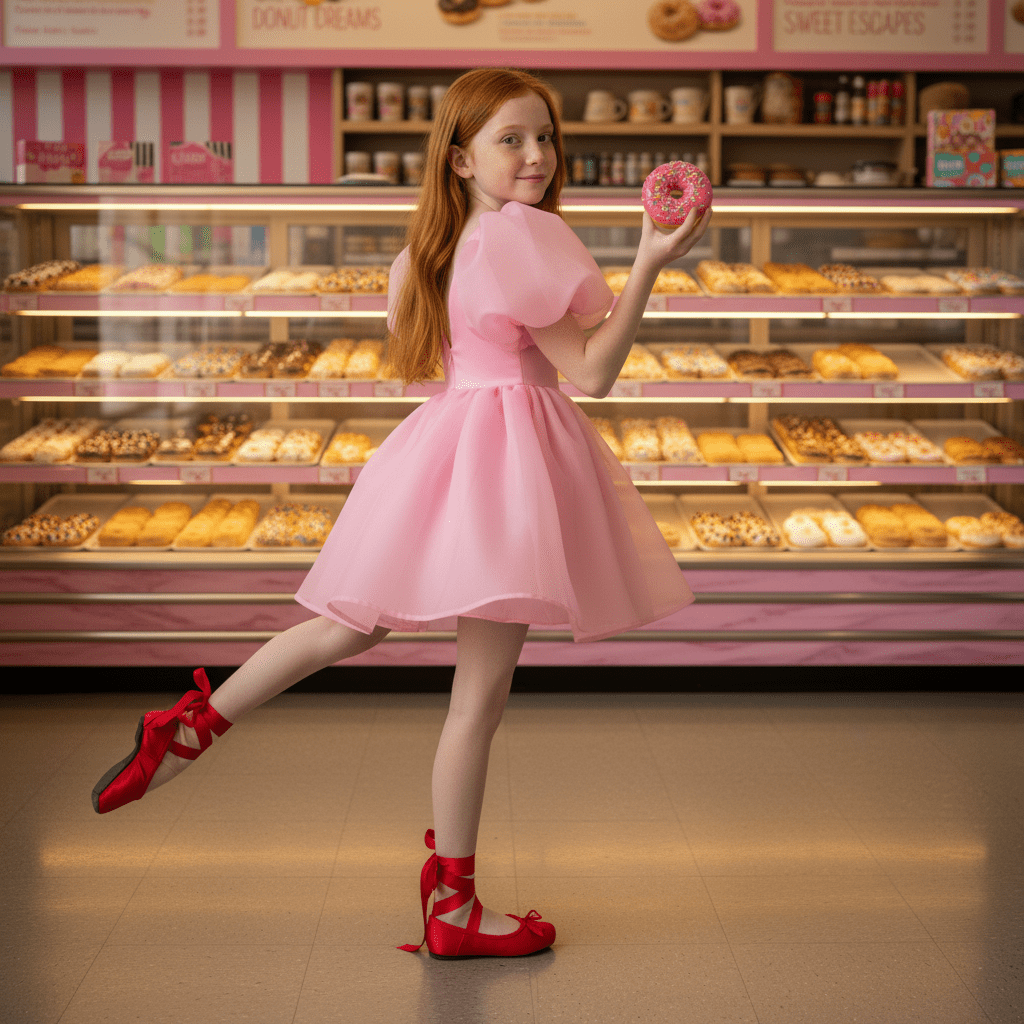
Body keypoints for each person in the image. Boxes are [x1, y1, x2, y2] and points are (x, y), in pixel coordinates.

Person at [91, 67, 710, 960]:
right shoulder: (524, 238)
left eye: (546, 137)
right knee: (477, 699)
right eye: (512, 139)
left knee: (345, 625)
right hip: (511, 466)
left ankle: (191, 724)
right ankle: (453, 906)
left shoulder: (432, 246)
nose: (537, 155)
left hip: (448, 449)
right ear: (460, 158)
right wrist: (651, 259)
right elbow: (592, 374)